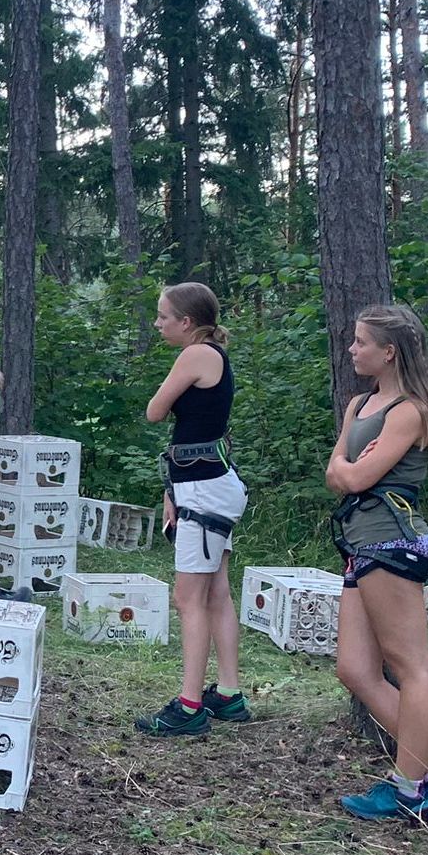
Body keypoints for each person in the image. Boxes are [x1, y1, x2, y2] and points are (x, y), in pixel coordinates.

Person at [327, 305, 428, 823]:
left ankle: (407, 788)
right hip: (360, 543)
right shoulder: (360, 404)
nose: (352, 349)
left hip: (392, 542)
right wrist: (350, 467)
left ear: (389, 351)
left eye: (361, 341)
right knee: (355, 669)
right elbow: (336, 473)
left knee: (411, 667)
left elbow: (351, 478)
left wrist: (350, 469)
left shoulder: (410, 411)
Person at [135, 283, 248, 736]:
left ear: (186, 321)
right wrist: (174, 493)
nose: (158, 323)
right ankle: (229, 693)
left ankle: (189, 706)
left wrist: (183, 494)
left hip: (204, 491)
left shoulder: (196, 354)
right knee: (216, 592)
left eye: (163, 316)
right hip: (207, 484)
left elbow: (155, 411)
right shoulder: (214, 354)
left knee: (188, 598)